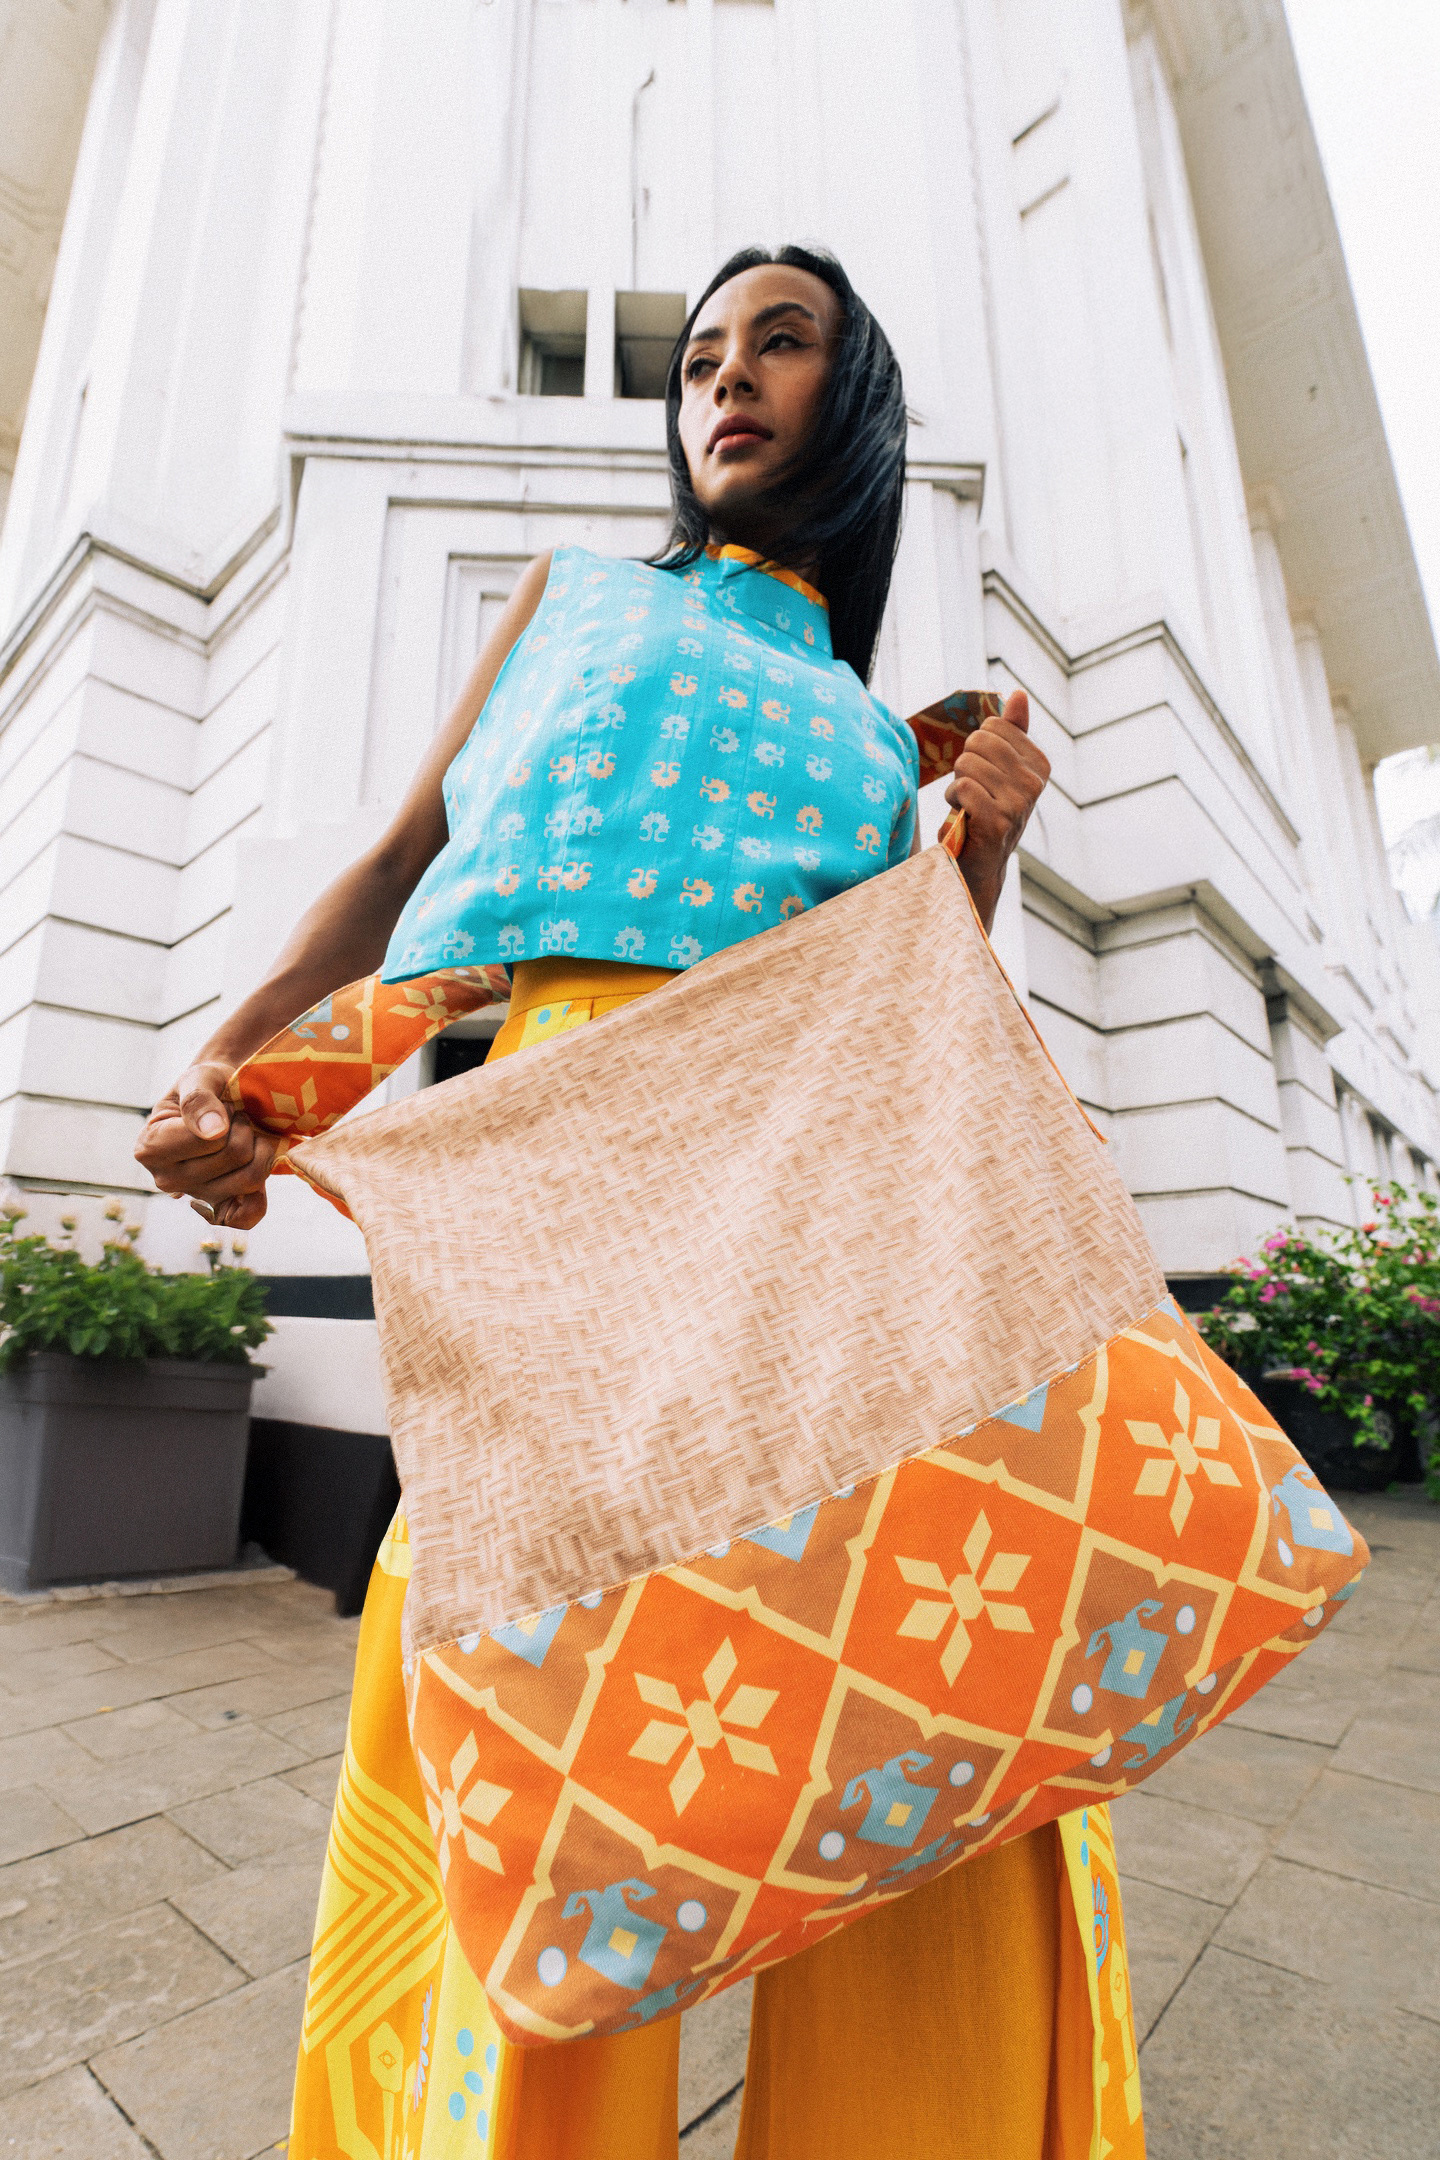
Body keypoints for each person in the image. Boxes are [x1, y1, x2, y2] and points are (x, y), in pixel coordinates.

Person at [137, 247, 1142, 2160]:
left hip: (815, 1219)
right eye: (699, 359)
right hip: (565, 1193)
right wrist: (232, 1063)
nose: (726, 381)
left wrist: (983, 853)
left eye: (782, 344)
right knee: (523, 1710)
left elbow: (910, 1023)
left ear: (858, 403)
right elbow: (410, 865)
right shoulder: (579, 599)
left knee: (928, 1710)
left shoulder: (882, 733)